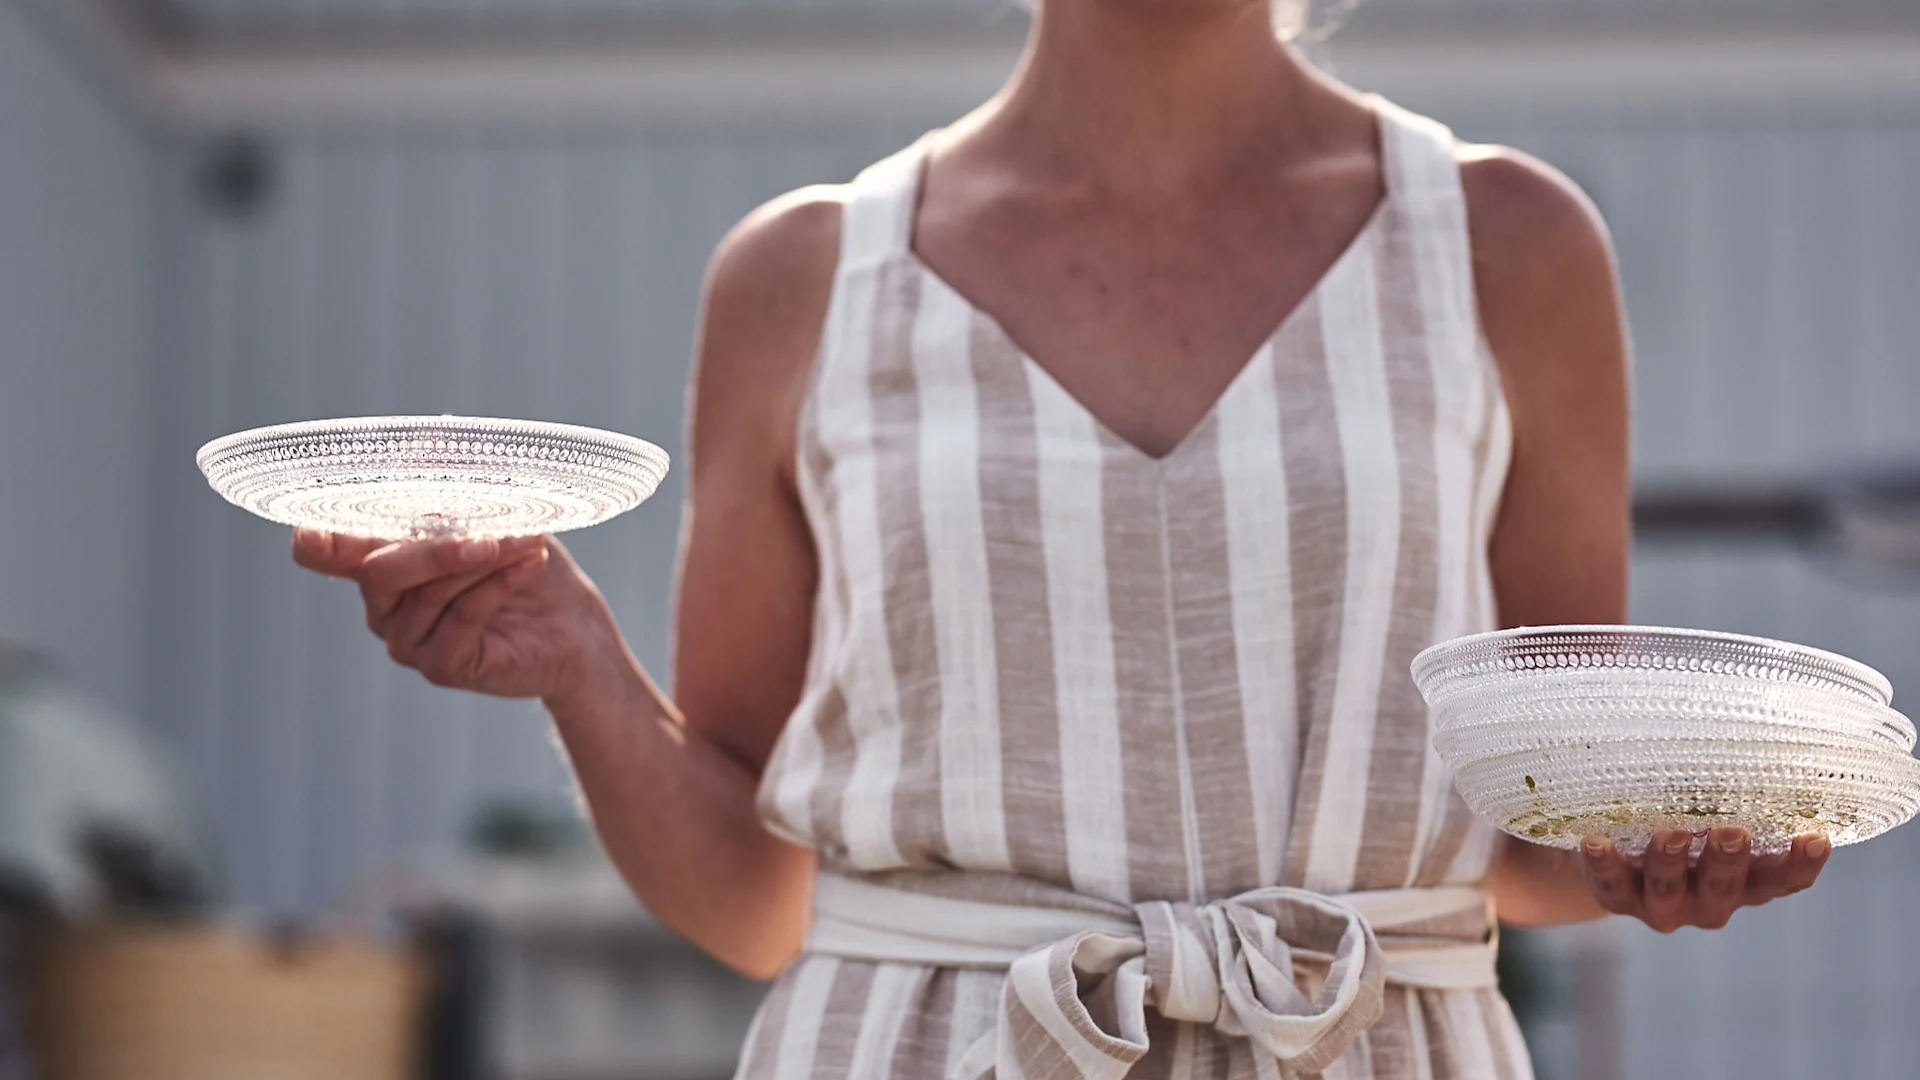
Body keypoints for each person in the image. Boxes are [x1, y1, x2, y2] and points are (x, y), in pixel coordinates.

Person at [293, 1, 1833, 1075]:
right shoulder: (803, 276)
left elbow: (1534, 842)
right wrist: (579, 664)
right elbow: (760, 901)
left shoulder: (1511, 247)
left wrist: (1656, 852)